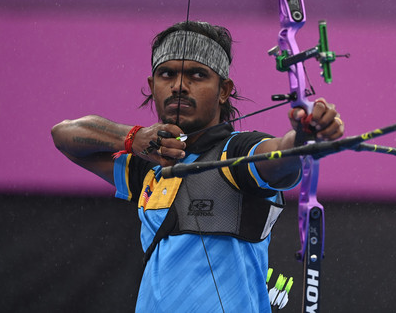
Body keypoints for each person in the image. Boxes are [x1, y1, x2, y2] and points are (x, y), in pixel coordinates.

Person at [51, 21, 344, 312]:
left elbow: (280, 157)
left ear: (223, 91)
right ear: (153, 86)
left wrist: (304, 136)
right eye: (167, 74)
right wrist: (133, 138)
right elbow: (63, 135)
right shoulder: (149, 167)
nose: (179, 85)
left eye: (197, 74)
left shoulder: (235, 154)